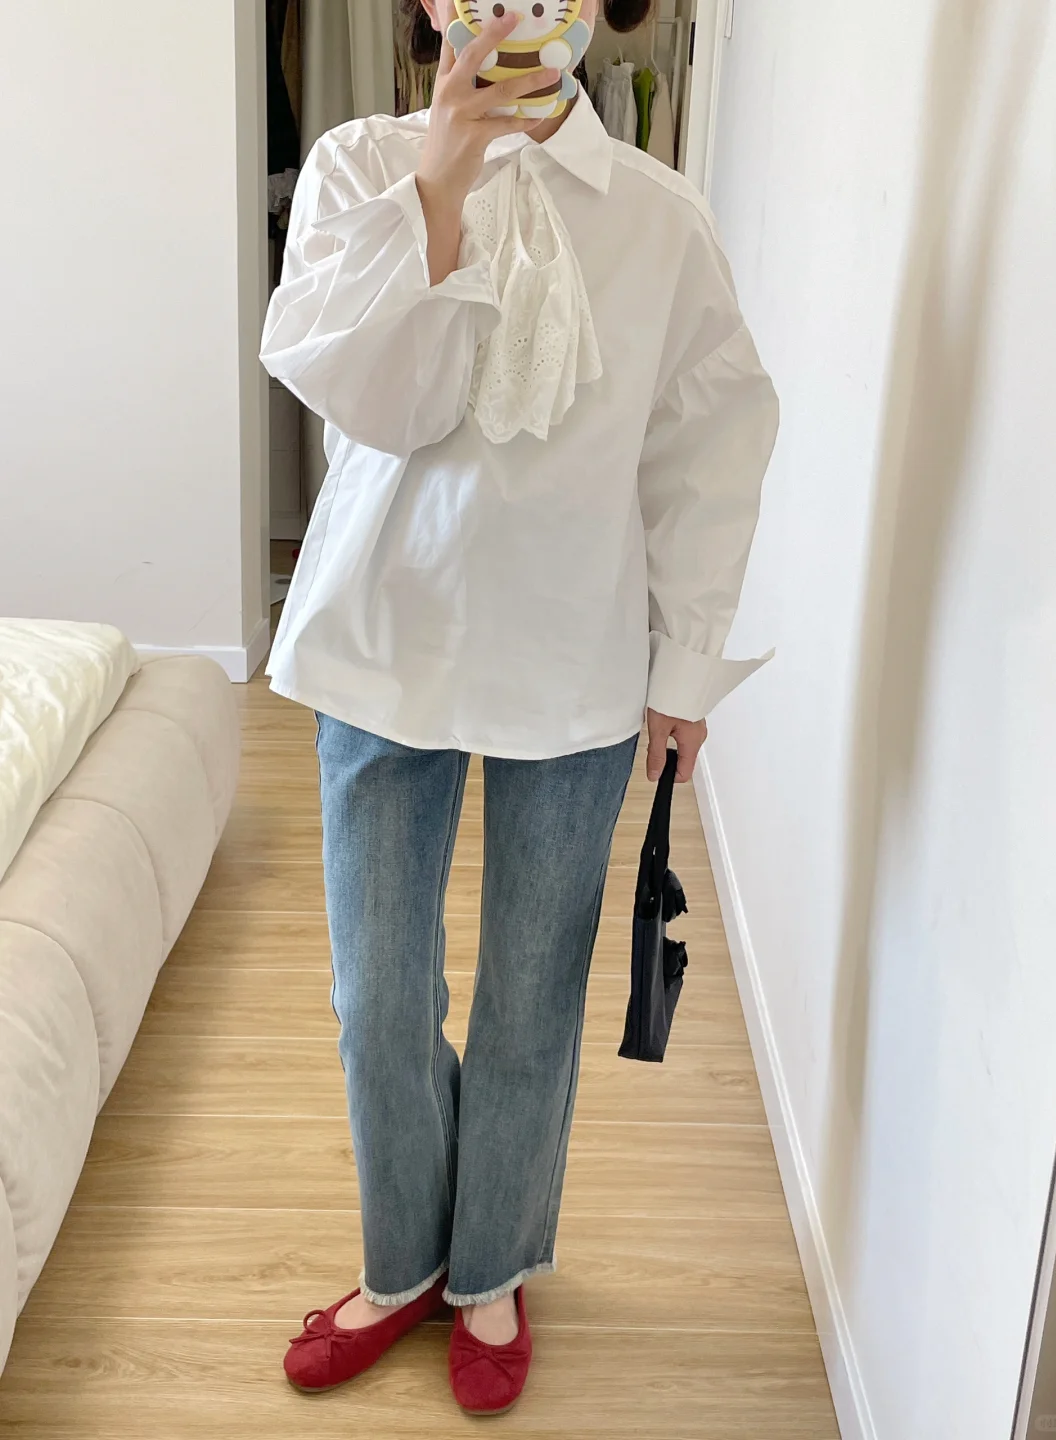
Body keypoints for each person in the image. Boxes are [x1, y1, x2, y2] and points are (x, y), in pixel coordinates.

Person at [259, 0, 778, 1415]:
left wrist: (686, 667)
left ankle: (491, 1266)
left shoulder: (660, 217)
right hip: (384, 635)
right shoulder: (362, 167)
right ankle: (403, 1261)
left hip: (574, 647)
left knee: (533, 993)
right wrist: (438, 183)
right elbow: (369, 402)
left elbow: (707, 445)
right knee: (378, 995)